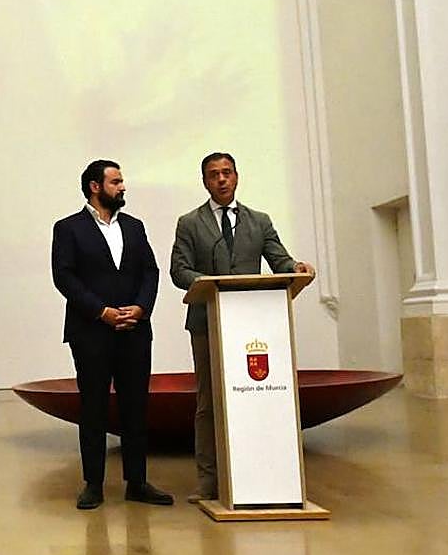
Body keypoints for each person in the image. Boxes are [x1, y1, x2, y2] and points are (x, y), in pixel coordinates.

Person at [170, 152, 315, 503]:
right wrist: (207, 282)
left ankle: (260, 473)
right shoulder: (189, 222)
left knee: (257, 394)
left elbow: (279, 260)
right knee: (209, 401)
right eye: (213, 174)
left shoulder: (259, 221)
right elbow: (179, 269)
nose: (221, 179)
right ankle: (209, 482)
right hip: (208, 322)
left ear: (237, 177)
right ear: (204, 181)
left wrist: (295, 266)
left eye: (227, 173)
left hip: (255, 325)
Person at [51, 159, 172, 510]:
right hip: (91, 331)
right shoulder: (68, 228)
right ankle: (93, 484)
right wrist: (100, 311)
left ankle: (137, 482)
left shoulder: (134, 227)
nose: (123, 187)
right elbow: (65, 277)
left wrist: (141, 308)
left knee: (136, 406)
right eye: (116, 181)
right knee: (93, 407)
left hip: (134, 330)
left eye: (122, 181)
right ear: (95, 186)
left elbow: (150, 271)